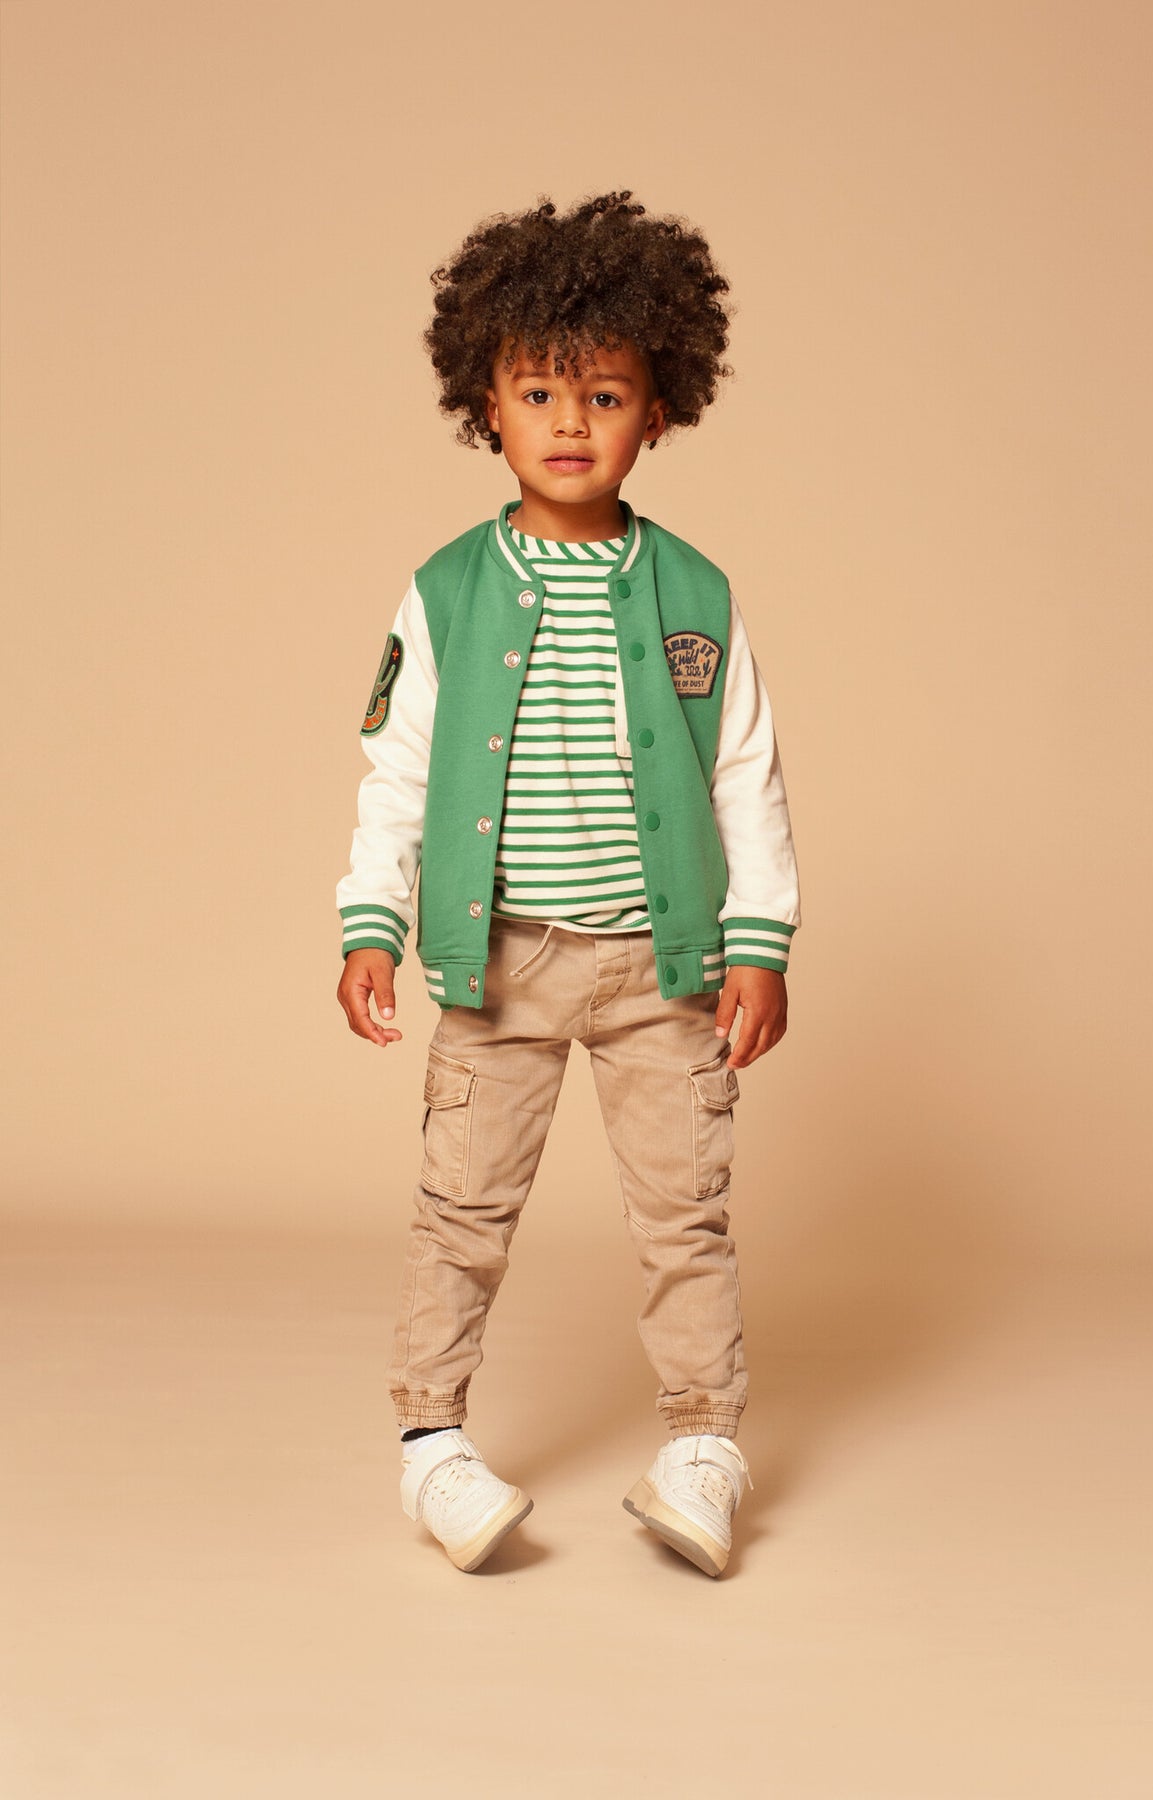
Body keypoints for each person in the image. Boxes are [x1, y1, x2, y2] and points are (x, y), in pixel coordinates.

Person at [336, 191, 800, 1577]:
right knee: (461, 1214)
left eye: (604, 394)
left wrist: (759, 941)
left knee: (683, 1217)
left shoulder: (695, 593)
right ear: (485, 404)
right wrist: (371, 920)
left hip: (665, 968)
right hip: (499, 963)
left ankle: (704, 1446)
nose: (569, 422)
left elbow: (745, 773)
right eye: (537, 392)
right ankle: (431, 1445)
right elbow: (397, 772)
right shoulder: (446, 590)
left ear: (659, 409)